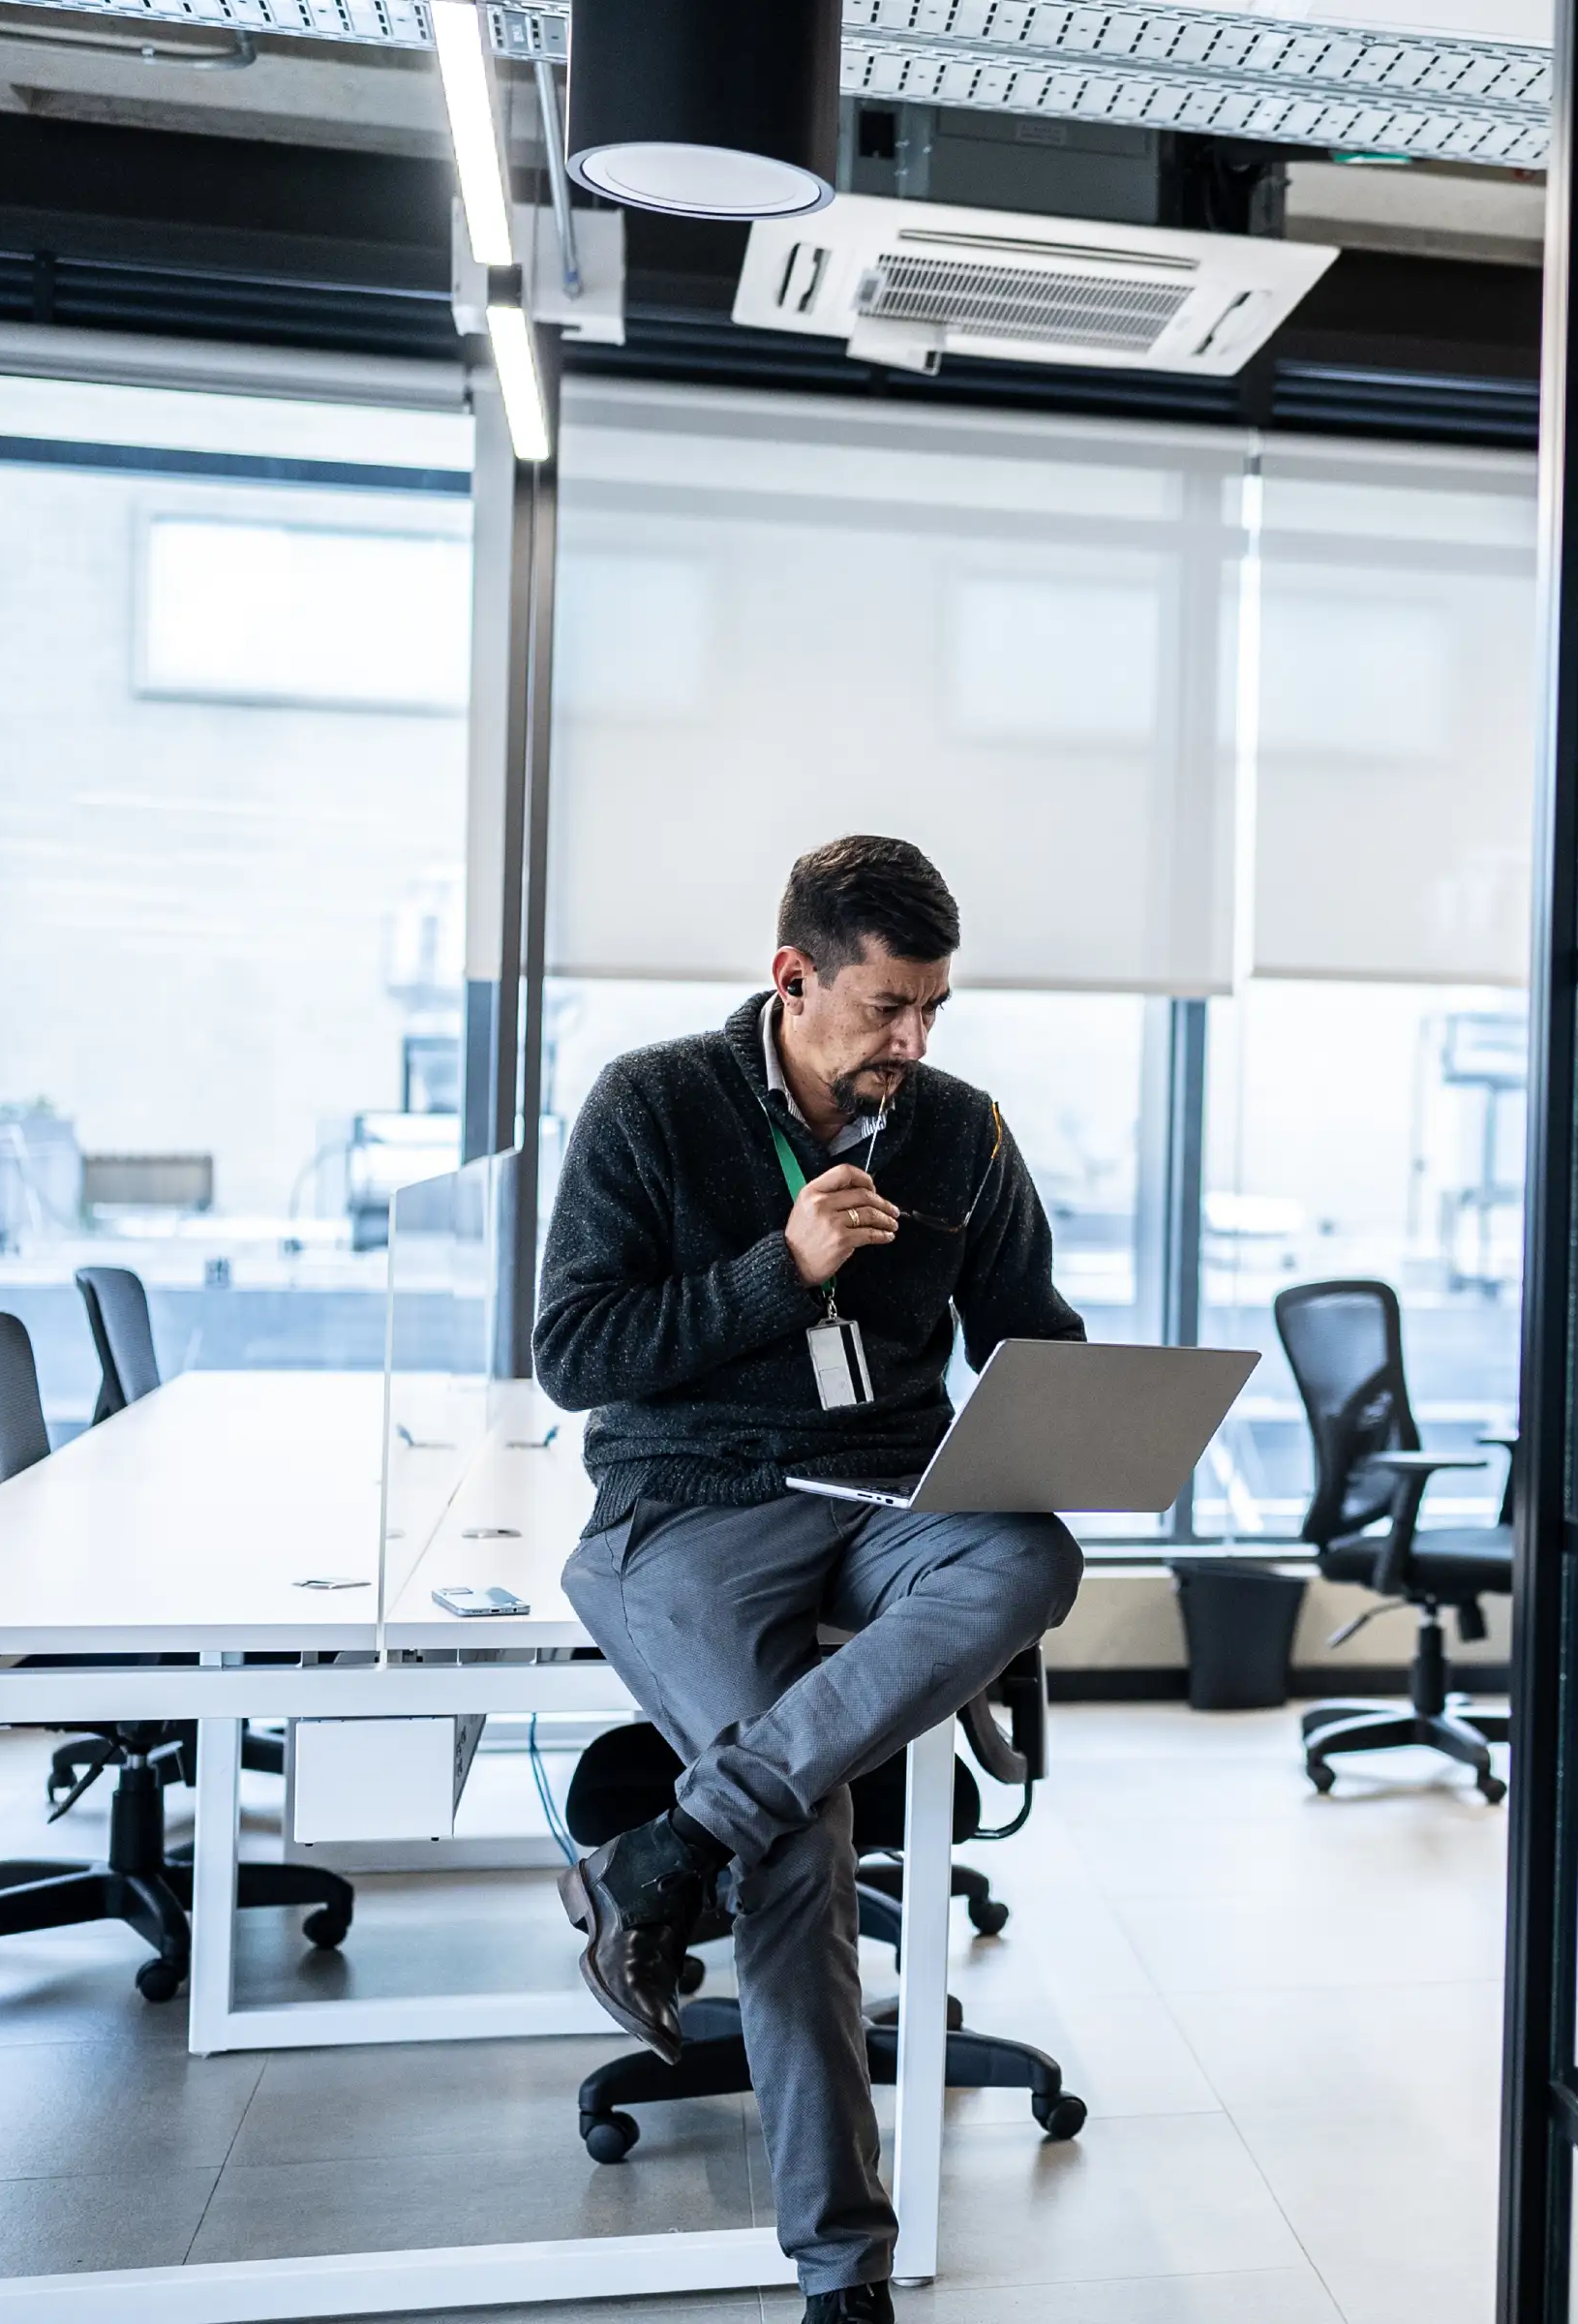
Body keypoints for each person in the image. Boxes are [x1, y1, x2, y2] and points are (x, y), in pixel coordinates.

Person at [533, 834, 1086, 2323]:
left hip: (894, 1498)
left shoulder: (961, 1130)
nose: (911, 1044)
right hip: (691, 1504)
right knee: (806, 1827)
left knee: (1032, 1553)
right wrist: (781, 1268)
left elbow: (1026, 1327)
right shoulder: (653, 1103)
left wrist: (1083, 1405)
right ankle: (845, 2270)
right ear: (795, 978)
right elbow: (576, 1354)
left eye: (933, 1012)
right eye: (887, 1009)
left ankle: (666, 1850)